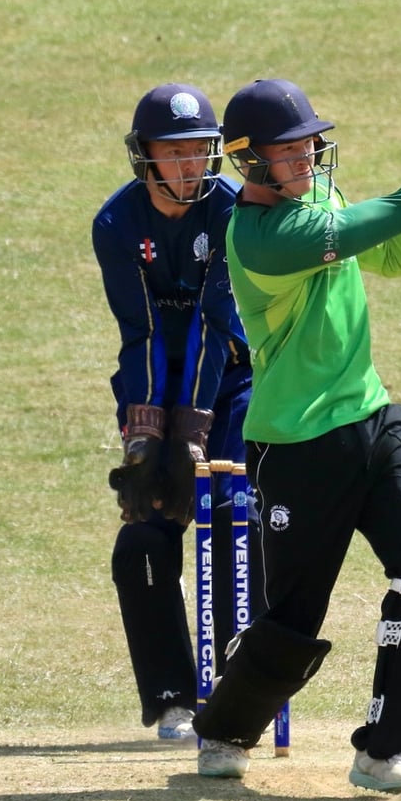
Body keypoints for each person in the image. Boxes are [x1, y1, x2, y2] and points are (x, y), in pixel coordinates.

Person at [192, 74, 401, 790]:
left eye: (312, 141)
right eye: (292, 149)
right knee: (292, 619)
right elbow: (388, 217)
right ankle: (225, 730)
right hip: (295, 448)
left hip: (372, 418)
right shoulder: (262, 238)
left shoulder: (315, 197)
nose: (311, 155)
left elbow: (396, 252)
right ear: (250, 161)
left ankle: (387, 750)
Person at [92, 83, 259, 741]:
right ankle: (172, 698)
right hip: (153, 387)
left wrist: (194, 432)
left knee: (230, 523)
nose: (191, 166)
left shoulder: (230, 210)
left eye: (200, 151)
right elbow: (145, 335)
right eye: (175, 152)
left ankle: (236, 698)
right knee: (143, 538)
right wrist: (146, 437)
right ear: (146, 157)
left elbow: (216, 327)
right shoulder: (116, 224)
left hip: (233, 387)